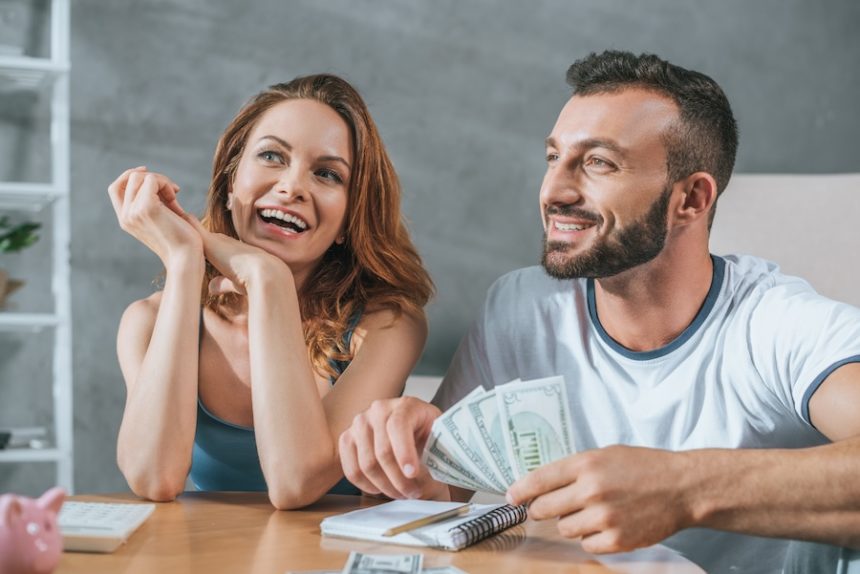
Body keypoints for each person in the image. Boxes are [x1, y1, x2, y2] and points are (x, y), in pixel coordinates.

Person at [337, 51, 860, 572]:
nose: (554, 191)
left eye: (598, 163)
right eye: (553, 158)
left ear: (692, 200)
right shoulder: (521, 307)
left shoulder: (776, 323)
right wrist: (402, 459)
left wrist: (680, 488)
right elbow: (445, 489)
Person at [108, 74, 433, 509]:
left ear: (349, 219)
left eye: (326, 174)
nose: (293, 187)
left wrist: (268, 281)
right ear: (229, 184)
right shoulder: (146, 321)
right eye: (271, 156)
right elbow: (154, 478)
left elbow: (295, 483)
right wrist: (185, 262)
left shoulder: (387, 324)